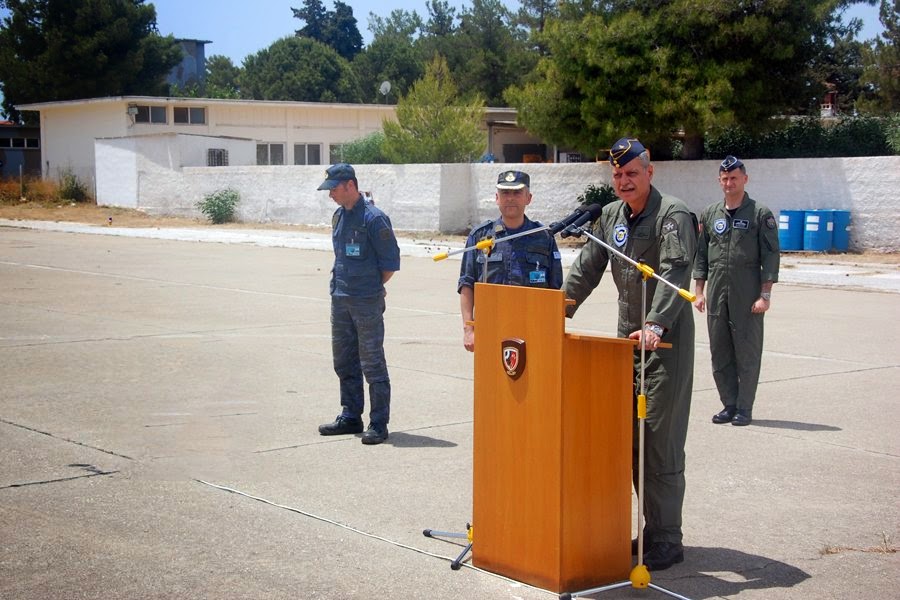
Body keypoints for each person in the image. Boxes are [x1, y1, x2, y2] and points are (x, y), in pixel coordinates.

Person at [563, 137, 695, 571]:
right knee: (629, 441)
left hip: (664, 342)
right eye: (617, 175)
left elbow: (676, 270)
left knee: (658, 441)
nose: (623, 181)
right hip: (624, 344)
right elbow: (588, 265)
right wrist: (557, 307)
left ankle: (668, 540)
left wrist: (657, 322)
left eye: (631, 173)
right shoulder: (610, 216)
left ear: (649, 172)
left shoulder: (672, 214)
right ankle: (651, 530)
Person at [316, 163, 400, 445]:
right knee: (344, 360)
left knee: (372, 362)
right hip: (340, 298)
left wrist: (371, 288)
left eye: (334, 189)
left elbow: (389, 264)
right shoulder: (338, 216)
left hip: (365, 301)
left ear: (350, 185)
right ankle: (351, 415)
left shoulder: (374, 219)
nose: (331, 195)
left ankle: (378, 423)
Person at [693, 156, 780, 427]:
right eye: (725, 179)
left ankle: (744, 407)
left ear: (745, 179)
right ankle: (728, 404)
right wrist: (699, 291)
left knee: (747, 352)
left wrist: (764, 296)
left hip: (747, 293)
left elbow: (771, 255)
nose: (729, 183)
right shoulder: (710, 214)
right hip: (717, 292)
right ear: (719, 181)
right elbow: (701, 256)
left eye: (734, 178)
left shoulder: (759, 214)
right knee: (720, 352)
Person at [457, 170, 563, 351]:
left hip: (534, 328)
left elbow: (555, 287)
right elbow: (467, 284)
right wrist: (469, 329)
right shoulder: (480, 237)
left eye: (516, 193)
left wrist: (552, 329)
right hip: (491, 327)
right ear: (497, 198)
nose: (510, 198)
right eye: (505, 193)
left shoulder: (543, 237)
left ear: (528, 198)